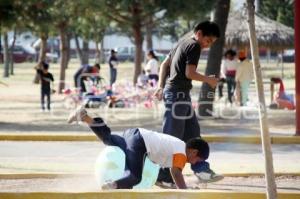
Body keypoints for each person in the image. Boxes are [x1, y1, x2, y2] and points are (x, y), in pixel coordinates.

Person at [67, 107, 210, 189]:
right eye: (198, 160)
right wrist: (184, 193)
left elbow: (165, 173)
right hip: (140, 141)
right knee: (135, 177)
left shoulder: (176, 149)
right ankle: (112, 185)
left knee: (108, 139)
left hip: (133, 134)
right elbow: (176, 173)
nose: (195, 163)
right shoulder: (181, 151)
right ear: (194, 151)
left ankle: (85, 117)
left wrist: (172, 185)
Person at [153, 21, 223, 186]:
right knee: (173, 137)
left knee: (193, 134)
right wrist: (209, 80)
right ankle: (163, 176)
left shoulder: (182, 43)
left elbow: (164, 64)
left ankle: (202, 170)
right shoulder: (194, 46)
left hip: (180, 95)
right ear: (199, 33)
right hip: (176, 96)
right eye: (208, 41)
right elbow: (189, 73)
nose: (207, 45)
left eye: (211, 43)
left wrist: (160, 86)